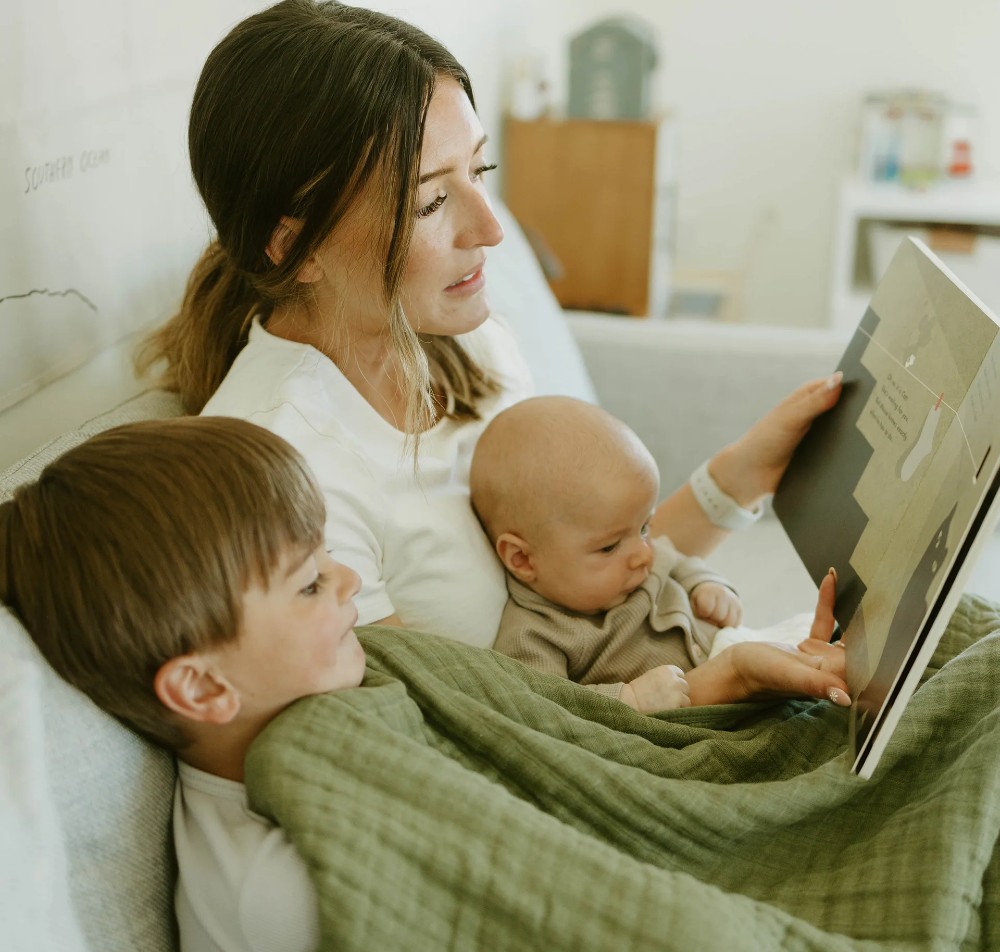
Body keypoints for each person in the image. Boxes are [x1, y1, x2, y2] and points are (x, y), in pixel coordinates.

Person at [0, 416, 850, 952]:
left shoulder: (366, 679)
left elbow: (554, 735)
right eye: (307, 583)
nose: (346, 584)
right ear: (202, 688)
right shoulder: (271, 880)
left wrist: (727, 684)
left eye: (325, 557)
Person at [136, 0, 845, 663]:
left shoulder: (466, 341)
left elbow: (597, 580)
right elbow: (460, 733)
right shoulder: (284, 474)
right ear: (292, 247)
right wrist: (695, 692)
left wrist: (744, 474)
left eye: (481, 169)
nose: (492, 228)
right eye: (432, 200)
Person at [470, 395, 841, 714]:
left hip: (743, 643)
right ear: (522, 559)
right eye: (609, 546)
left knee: (847, 650)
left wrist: (707, 585)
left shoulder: (637, 561)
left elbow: (678, 562)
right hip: (714, 699)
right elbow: (548, 709)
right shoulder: (535, 636)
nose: (642, 555)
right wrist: (628, 699)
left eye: (644, 527)